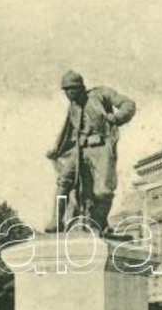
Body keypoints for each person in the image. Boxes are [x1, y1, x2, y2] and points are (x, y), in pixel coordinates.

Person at [45, 70, 136, 236]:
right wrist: (57, 150)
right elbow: (68, 132)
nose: (69, 93)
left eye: (72, 89)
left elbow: (128, 104)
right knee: (64, 180)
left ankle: (97, 223)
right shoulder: (73, 106)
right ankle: (56, 220)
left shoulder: (101, 94)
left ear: (81, 87)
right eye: (66, 90)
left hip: (101, 147)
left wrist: (116, 118)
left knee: (103, 192)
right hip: (80, 151)